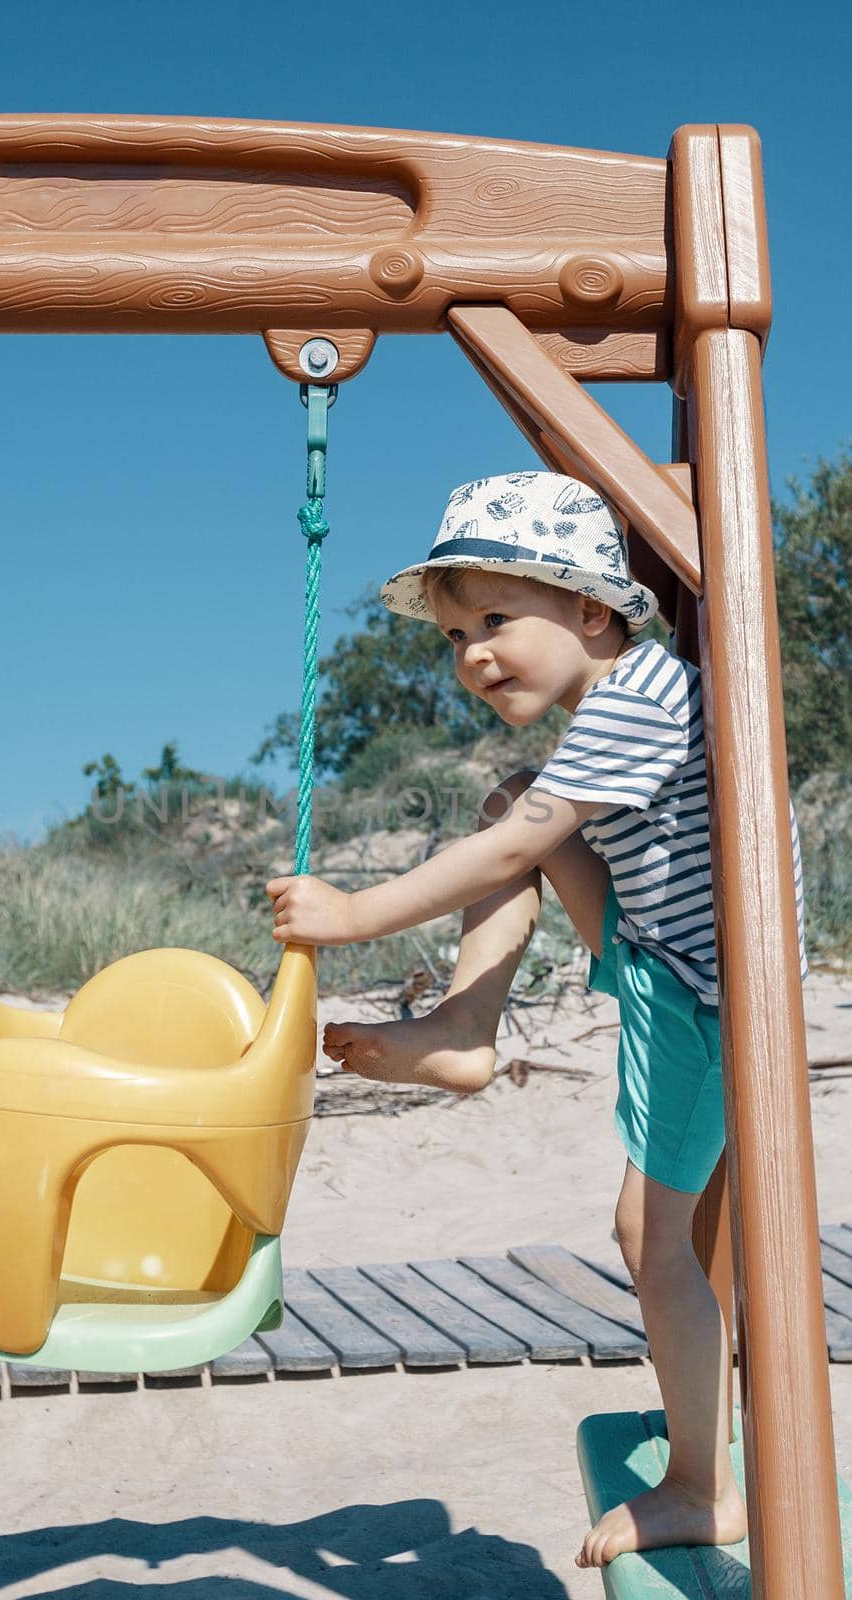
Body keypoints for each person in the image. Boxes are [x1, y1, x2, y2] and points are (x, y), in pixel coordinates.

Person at [266, 470, 805, 1568]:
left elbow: (518, 853)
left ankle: (703, 1485)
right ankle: (468, 1025)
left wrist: (356, 912)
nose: (472, 653)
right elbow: (533, 827)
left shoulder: (639, 698)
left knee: (651, 1241)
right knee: (515, 795)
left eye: (496, 620)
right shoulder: (638, 694)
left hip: (711, 1003)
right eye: (457, 633)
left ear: (593, 612)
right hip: (674, 961)